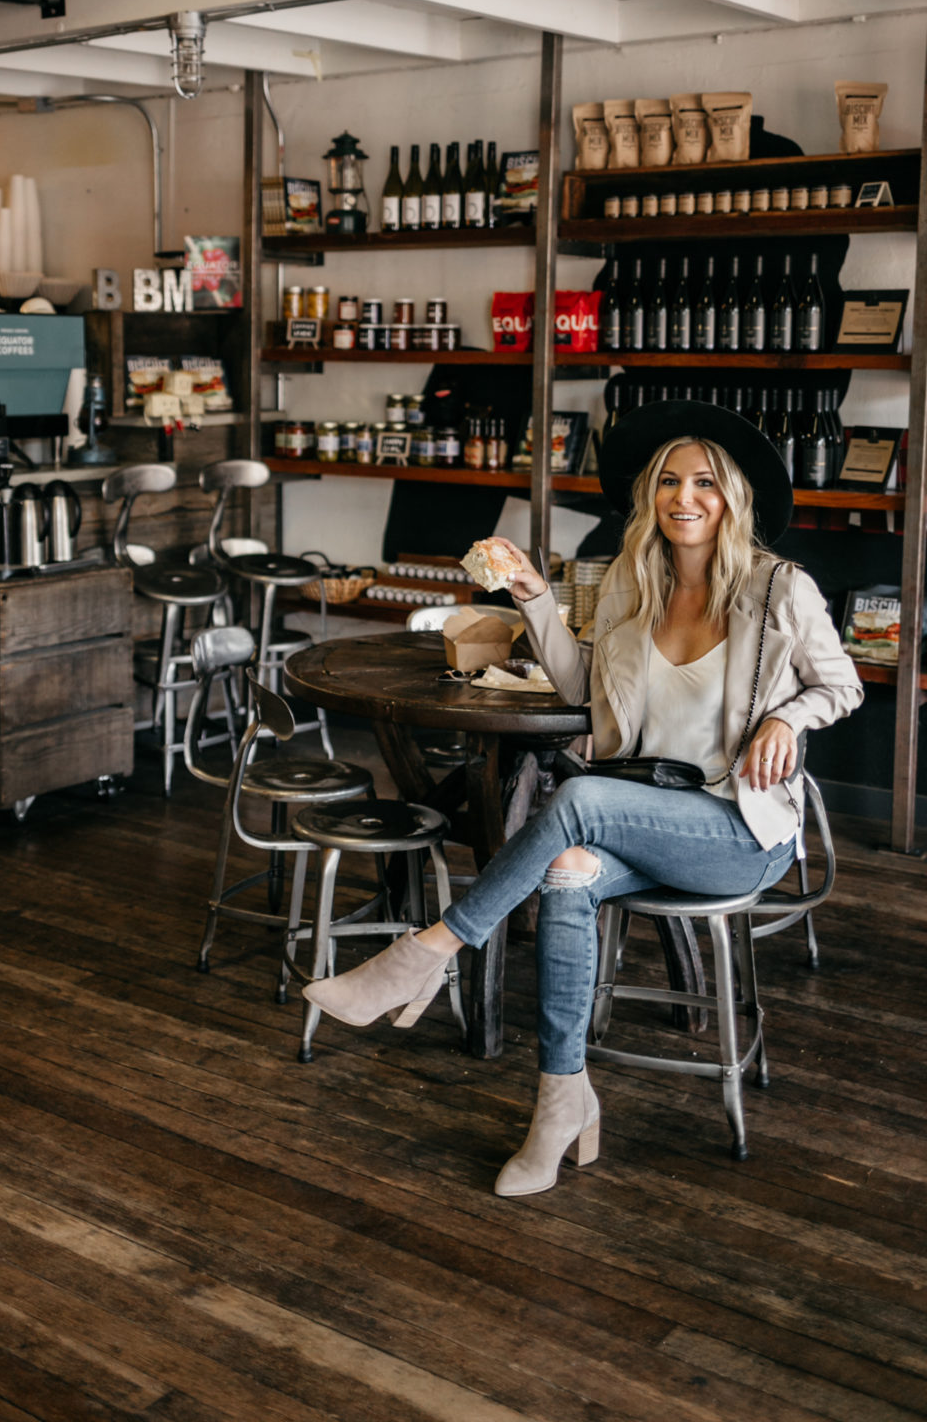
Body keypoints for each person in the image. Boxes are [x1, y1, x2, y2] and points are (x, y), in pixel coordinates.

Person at [303, 400, 863, 1196]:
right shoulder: (635, 586)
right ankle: (561, 1099)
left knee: (582, 799)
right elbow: (580, 690)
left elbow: (841, 687)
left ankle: (425, 954)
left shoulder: (780, 589)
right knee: (566, 868)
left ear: (732, 496)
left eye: (705, 482)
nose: (684, 497)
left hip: (738, 829)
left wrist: (786, 713)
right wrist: (534, 595)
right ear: (650, 496)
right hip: (648, 811)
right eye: (669, 481)